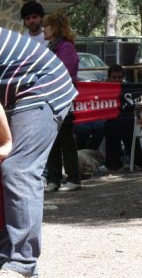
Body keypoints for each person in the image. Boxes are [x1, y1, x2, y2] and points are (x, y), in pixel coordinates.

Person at [0, 27, 78, 276]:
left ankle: (23, 264)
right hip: (19, 91)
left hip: (43, 85)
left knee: (18, 169)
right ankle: (4, 251)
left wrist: (4, 143)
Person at [43, 12, 82, 192]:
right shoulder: (52, 46)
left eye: (47, 25)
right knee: (52, 141)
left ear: (55, 27)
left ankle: (74, 178)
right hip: (50, 100)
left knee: (66, 140)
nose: (44, 29)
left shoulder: (66, 48)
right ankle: (54, 179)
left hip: (62, 100)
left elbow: (64, 73)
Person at [104, 64, 142, 171]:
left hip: (129, 120)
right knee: (112, 124)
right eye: (114, 77)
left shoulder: (128, 89)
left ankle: (117, 163)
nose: (117, 80)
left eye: (119, 77)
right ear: (108, 78)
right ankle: (117, 163)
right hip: (112, 120)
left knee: (122, 124)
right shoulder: (103, 89)